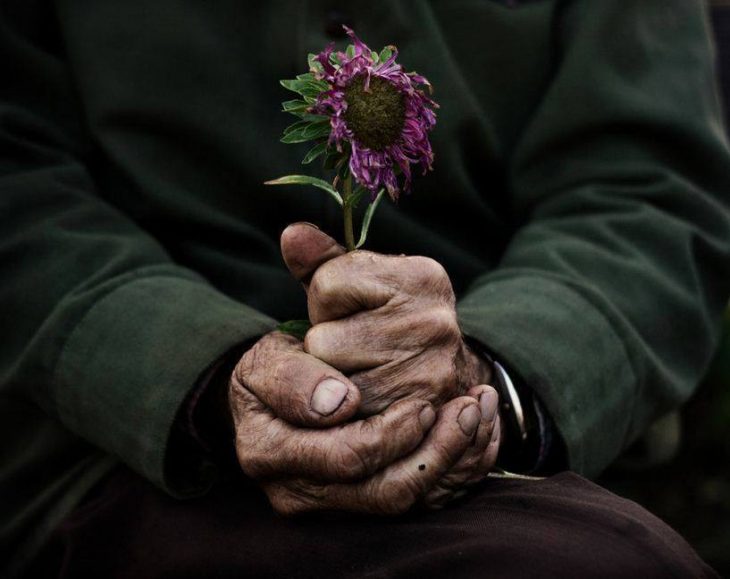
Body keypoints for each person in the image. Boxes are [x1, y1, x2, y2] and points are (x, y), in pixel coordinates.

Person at [1, 0, 728, 577]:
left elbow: (646, 193)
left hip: (499, 461)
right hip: (115, 449)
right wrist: (208, 380)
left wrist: (482, 379)